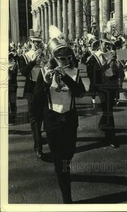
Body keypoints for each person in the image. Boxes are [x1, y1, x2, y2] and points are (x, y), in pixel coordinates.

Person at [33, 33, 86, 203]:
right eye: (59, 56)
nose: (63, 59)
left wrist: (65, 77)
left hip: (69, 119)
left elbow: (80, 93)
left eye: (66, 55)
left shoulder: (75, 72)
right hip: (52, 121)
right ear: (53, 57)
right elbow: (36, 100)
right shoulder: (43, 72)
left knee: (68, 155)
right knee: (60, 161)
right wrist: (46, 83)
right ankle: (67, 199)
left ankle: (64, 169)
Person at [18, 29, 47, 158]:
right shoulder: (24, 56)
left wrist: (46, 60)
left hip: (43, 88)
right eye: (35, 42)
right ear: (30, 42)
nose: (37, 44)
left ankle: (39, 137)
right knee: (34, 119)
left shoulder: (44, 54)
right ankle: (38, 147)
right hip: (31, 88)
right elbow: (23, 72)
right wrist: (34, 61)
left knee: (42, 117)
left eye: (39, 42)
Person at [88, 34, 120, 148]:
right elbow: (92, 76)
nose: (107, 46)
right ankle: (111, 137)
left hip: (111, 87)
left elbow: (115, 74)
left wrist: (115, 63)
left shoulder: (110, 56)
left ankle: (103, 125)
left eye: (108, 44)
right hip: (101, 88)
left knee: (108, 109)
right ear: (100, 43)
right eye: (105, 44)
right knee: (108, 111)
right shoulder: (93, 58)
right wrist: (93, 94)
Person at [8, 52, 18, 124]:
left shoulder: (14, 64)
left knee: (12, 102)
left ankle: (13, 118)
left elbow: (12, 74)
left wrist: (8, 71)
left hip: (12, 85)